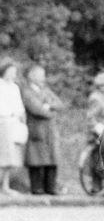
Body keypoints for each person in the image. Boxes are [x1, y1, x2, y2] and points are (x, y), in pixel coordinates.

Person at [21, 64, 64, 195]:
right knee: (36, 159)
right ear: (32, 76)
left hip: (50, 131)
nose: (43, 78)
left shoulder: (46, 90)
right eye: (41, 75)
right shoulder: (27, 91)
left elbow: (60, 104)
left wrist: (48, 105)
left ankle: (51, 187)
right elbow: (37, 109)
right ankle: (37, 188)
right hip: (36, 130)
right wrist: (50, 111)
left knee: (52, 159)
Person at [0, 61, 28, 196]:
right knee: (3, 155)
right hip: (2, 121)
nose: (13, 74)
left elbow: (19, 106)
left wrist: (22, 121)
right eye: (10, 71)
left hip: (13, 122)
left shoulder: (14, 87)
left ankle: (5, 186)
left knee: (10, 157)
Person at [85, 72, 104, 192]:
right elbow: (90, 118)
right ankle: (97, 187)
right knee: (99, 162)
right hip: (98, 135)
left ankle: (101, 188)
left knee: (100, 161)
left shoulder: (103, 97)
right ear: (103, 85)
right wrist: (99, 129)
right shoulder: (96, 98)